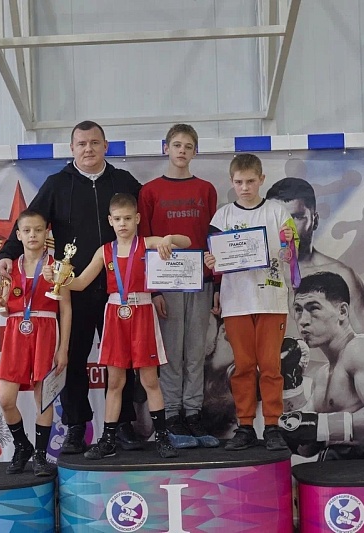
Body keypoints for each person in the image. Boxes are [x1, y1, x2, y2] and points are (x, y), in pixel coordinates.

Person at [0, 121, 143, 454]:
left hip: (119, 289)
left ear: (105, 146)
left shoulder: (124, 182)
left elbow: (146, 226)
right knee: (72, 358)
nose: (88, 149)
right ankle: (77, 426)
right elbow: (29, 222)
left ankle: (122, 425)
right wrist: (7, 254)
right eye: (81, 144)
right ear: (72, 148)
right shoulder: (57, 184)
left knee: (121, 359)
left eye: (94, 142)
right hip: (73, 287)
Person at [45, 193, 191, 459]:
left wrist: (169, 239)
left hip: (143, 311)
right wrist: (57, 277)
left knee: (149, 380)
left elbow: (187, 242)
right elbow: (80, 283)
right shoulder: (105, 251)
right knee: (115, 381)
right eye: (118, 219)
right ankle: (108, 439)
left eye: (127, 218)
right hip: (115, 314)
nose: (123, 223)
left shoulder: (147, 243)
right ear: (110, 221)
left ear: (137, 219)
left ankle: (162, 438)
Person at [203, 153, 294, 452]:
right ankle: (244, 426)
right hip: (236, 301)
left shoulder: (278, 212)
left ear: (261, 180)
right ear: (231, 181)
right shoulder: (222, 216)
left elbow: (291, 251)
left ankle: (272, 426)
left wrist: (288, 247)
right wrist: (211, 262)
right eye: (239, 182)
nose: (245, 187)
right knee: (242, 366)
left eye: (251, 181)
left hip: (271, 300)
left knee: (270, 366)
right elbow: (213, 256)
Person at [138, 123, 219, 449]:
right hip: (166, 282)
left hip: (200, 280)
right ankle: (171, 414)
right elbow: (143, 242)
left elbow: (213, 238)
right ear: (166, 148)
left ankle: (193, 412)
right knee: (171, 352)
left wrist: (216, 284)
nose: (182, 151)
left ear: (195, 152)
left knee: (196, 351)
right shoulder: (150, 192)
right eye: (176, 145)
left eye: (188, 146)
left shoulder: (206, 190)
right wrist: (153, 290)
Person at [278, 271, 364, 460]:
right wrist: (290, 386)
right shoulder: (322, 376)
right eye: (298, 310)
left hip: (363, 470)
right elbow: (306, 447)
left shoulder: (362, 348)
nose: (303, 320)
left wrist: (320, 426)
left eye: (313, 308)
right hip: (329, 470)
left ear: (342, 312)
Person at [0, 210, 71, 476]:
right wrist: (0, 303)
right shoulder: (8, 268)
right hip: (16, 332)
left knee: (43, 398)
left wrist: (63, 349)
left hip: (46, 330)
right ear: (18, 235)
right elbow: (6, 309)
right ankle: (22, 445)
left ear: (46, 233)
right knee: (6, 399)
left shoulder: (57, 267)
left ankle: (40, 455)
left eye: (38, 230)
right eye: (27, 231)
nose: (32, 235)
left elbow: (66, 310)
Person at [266, 177, 364, 343]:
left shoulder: (342, 276)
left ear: (315, 221)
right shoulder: (252, 274)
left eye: (296, 217)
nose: (286, 227)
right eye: (276, 218)